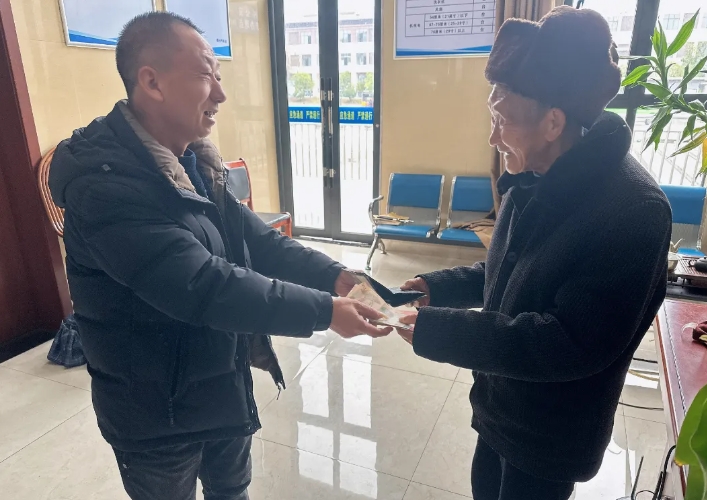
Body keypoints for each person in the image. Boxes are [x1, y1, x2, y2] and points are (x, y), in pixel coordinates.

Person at [49, 11, 390, 500]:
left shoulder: (195, 162)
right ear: (152, 82)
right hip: (156, 412)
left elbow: (259, 241)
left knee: (232, 492)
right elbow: (203, 285)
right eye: (207, 75)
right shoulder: (105, 185)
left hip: (220, 387)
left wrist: (337, 277)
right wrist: (324, 311)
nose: (222, 95)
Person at [397, 6, 672, 500]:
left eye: (502, 120)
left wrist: (439, 331)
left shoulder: (633, 210)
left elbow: (567, 343)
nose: (492, 137)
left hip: (549, 437)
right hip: (498, 408)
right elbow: (508, 270)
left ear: (553, 122)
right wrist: (436, 288)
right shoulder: (534, 177)